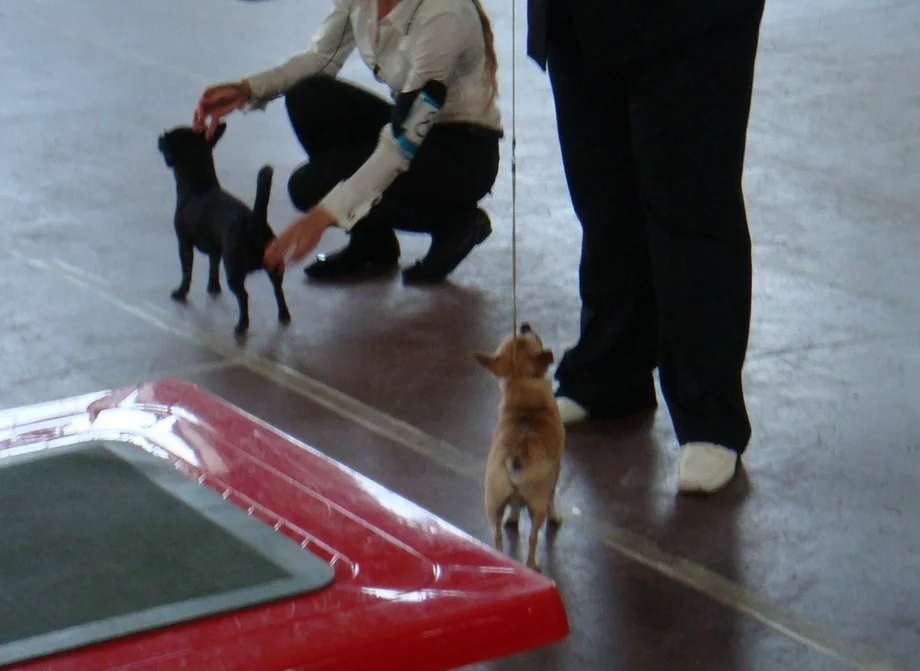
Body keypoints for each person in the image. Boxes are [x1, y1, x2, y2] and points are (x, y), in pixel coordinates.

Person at [527, 0, 767, 494]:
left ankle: (708, 411)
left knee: (691, 199)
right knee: (602, 195)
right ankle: (612, 367)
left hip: (691, 19)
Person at [193, 0, 503, 282]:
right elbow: (320, 59)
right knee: (307, 95)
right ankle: (373, 242)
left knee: (310, 186)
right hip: (414, 125)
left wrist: (323, 215)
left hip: (462, 154)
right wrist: (247, 89)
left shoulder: (444, 12)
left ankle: (455, 223)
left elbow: (401, 144)